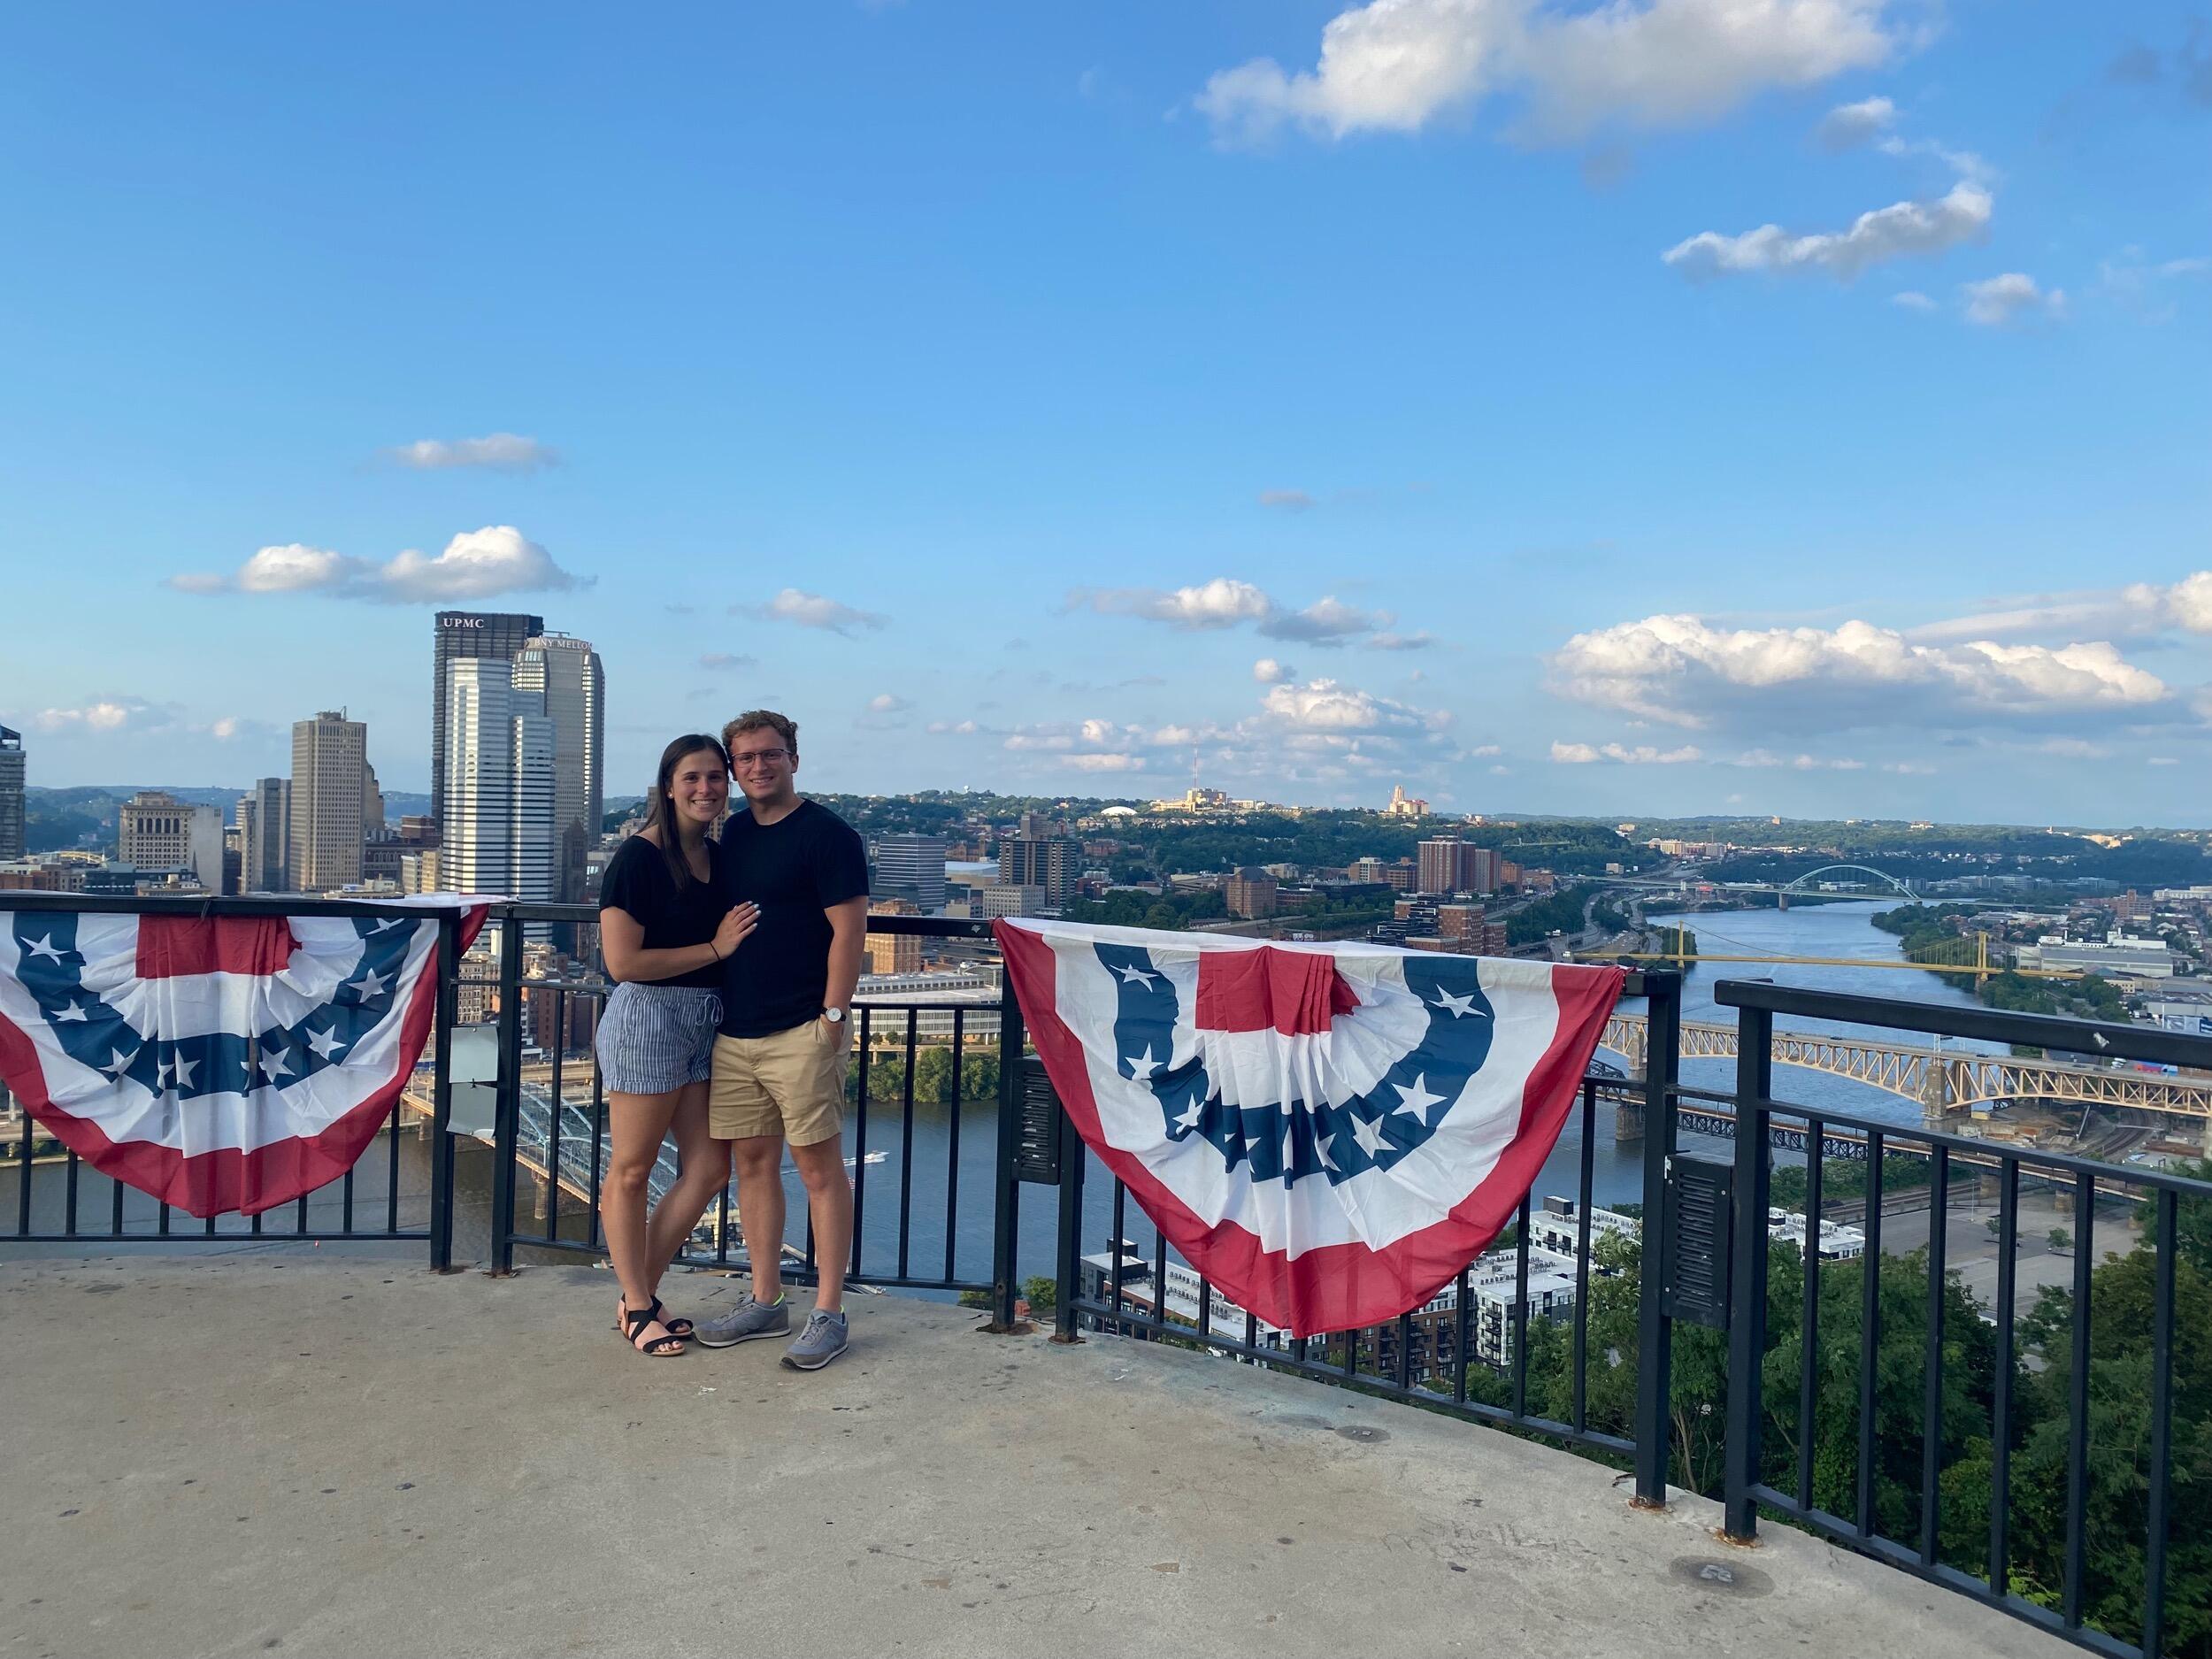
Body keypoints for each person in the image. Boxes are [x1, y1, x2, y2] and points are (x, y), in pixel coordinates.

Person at [692, 709, 868, 1370]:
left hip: (801, 1027)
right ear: (734, 769)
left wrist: (832, 1013)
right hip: (735, 1029)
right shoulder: (732, 832)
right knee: (753, 1167)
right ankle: (766, 1300)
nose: (758, 767)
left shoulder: (828, 836)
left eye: (770, 754)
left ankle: (830, 1311)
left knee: (821, 1172)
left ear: (794, 757)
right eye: (746, 759)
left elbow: (849, 931)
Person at [594, 734, 758, 1358]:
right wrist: (715, 950)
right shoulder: (638, 858)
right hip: (649, 1017)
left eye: (717, 777)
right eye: (692, 777)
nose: (706, 789)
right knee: (632, 1168)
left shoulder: (717, 855)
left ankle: (639, 1292)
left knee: (711, 1167)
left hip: (705, 1019)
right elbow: (622, 960)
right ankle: (638, 1305)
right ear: (668, 784)